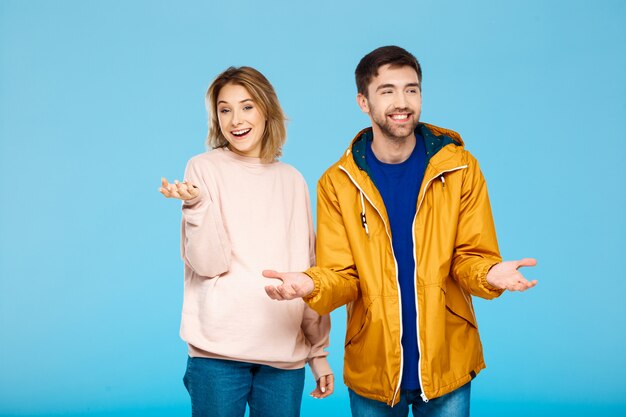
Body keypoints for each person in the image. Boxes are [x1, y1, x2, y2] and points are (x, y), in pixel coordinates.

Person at [263, 46, 538, 417]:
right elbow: (343, 276)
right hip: (374, 365)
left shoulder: (459, 168)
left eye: (411, 89)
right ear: (364, 101)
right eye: (387, 90)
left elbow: (470, 257)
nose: (402, 102)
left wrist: (491, 273)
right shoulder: (338, 183)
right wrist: (311, 285)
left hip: (448, 361)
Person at [160, 66, 333, 417]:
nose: (235, 120)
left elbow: (308, 269)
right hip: (218, 355)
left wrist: (318, 353)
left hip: (283, 356)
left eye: (247, 106)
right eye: (225, 109)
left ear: (267, 109)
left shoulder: (292, 180)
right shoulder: (203, 168)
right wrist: (196, 206)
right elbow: (209, 264)